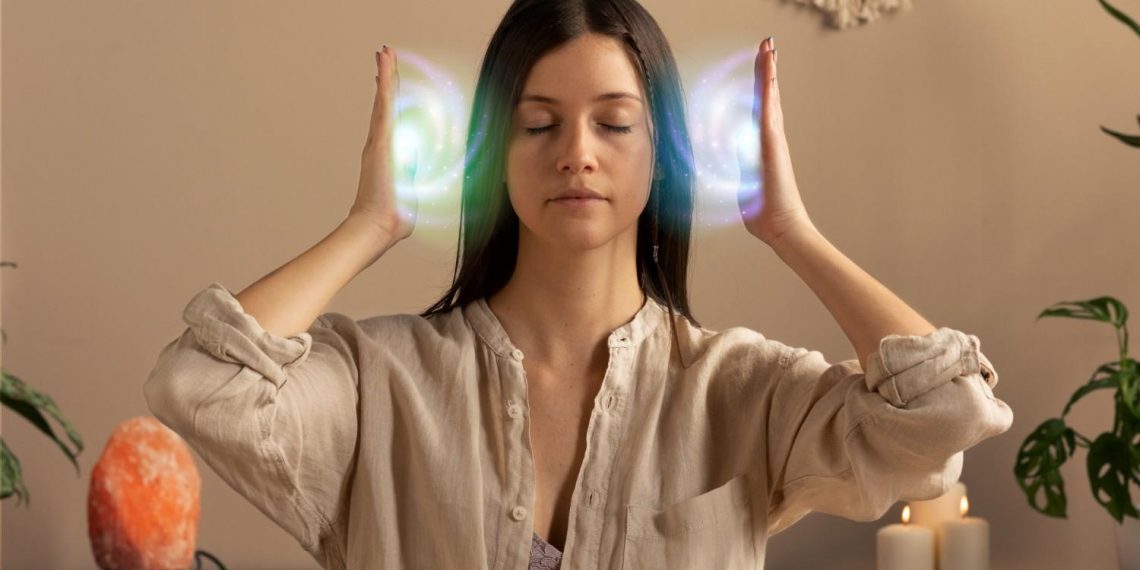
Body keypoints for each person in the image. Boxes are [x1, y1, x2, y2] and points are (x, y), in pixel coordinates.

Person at [143, 0, 1014, 568]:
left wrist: (794, 233)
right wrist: (369, 225)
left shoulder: (742, 390)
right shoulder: (382, 382)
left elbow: (946, 416)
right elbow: (197, 385)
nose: (577, 154)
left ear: (662, 150)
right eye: (538, 124)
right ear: (496, 151)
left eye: (615, 123)